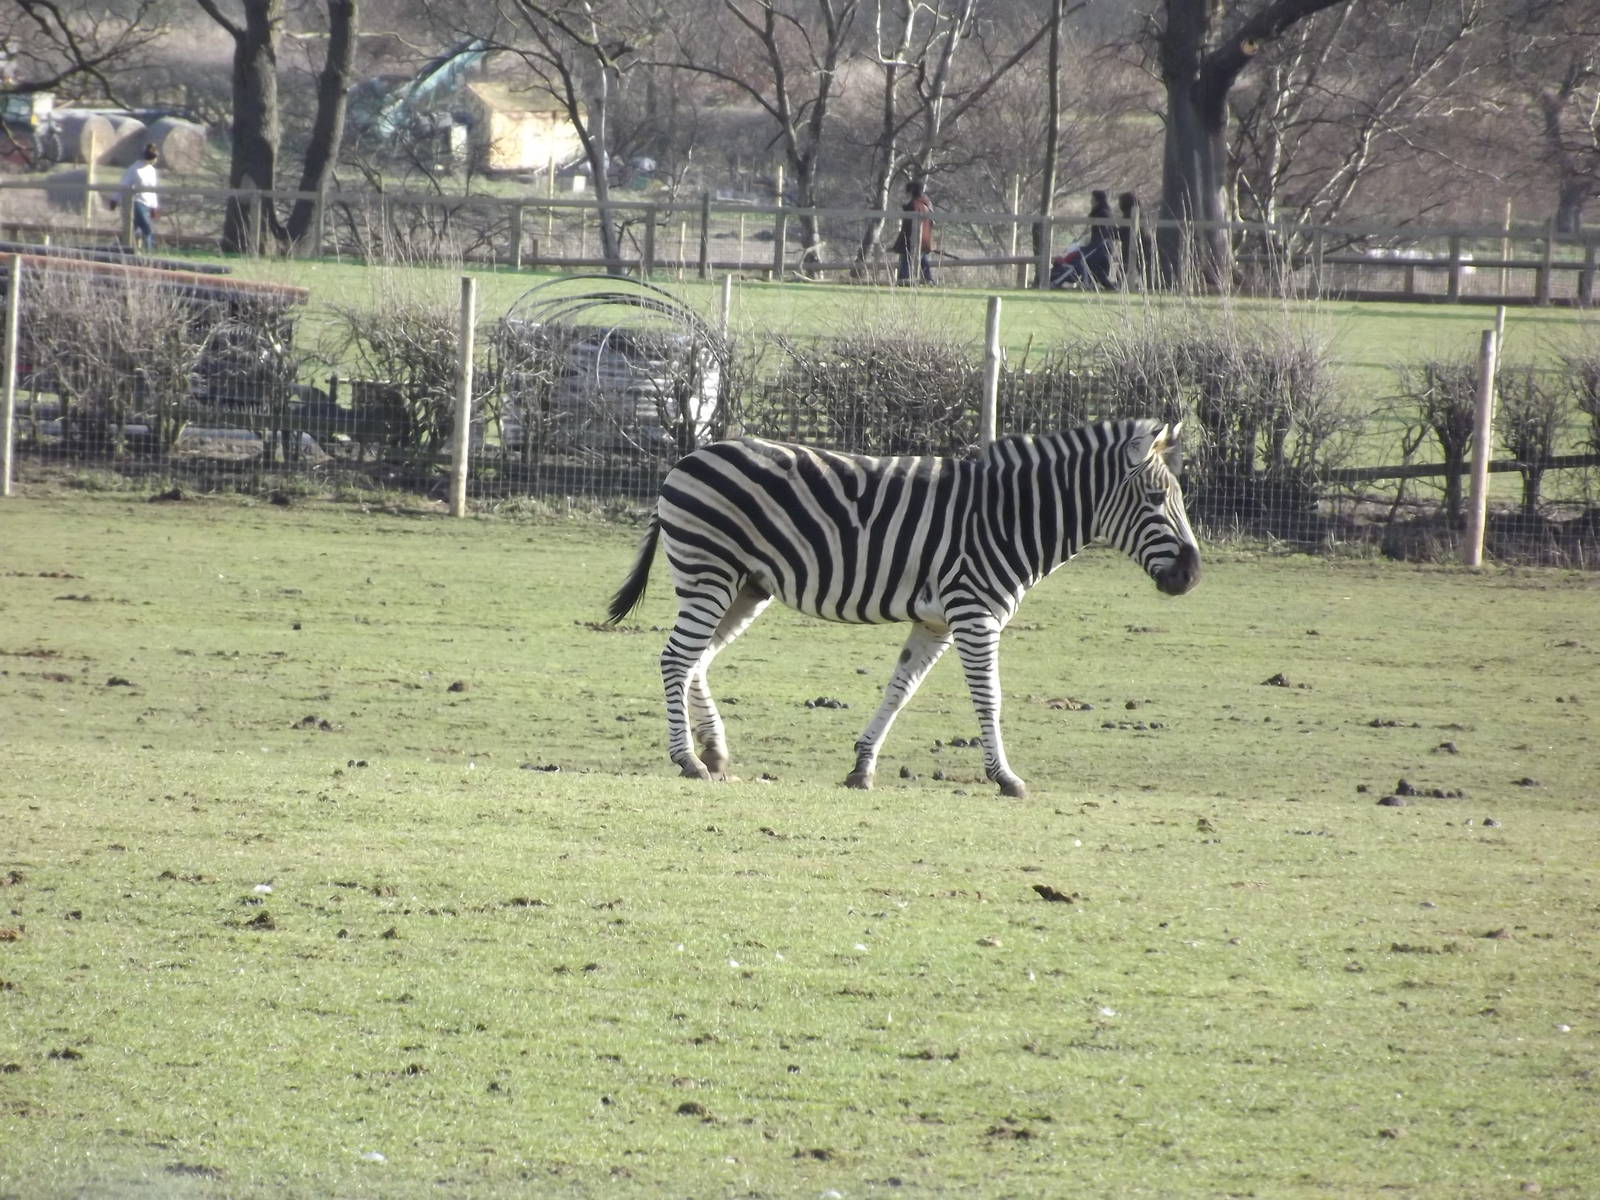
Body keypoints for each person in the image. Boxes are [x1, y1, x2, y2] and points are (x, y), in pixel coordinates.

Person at [115, 143, 160, 253]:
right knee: (147, 228)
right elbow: (124, 184)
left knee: (131, 230)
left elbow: (152, 190)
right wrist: (115, 198)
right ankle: (148, 253)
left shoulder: (152, 171)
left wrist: (154, 207)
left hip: (146, 204)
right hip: (135, 202)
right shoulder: (135, 169)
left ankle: (116, 249)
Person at [893, 178, 935, 285]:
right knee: (922, 259)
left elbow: (910, 222)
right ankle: (928, 279)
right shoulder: (927, 203)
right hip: (925, 236)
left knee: (906, 256)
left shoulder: (916, 204)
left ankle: (904, 279)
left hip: (913, 236)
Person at [1117, 190, 1155, 289]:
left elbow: (1121, 233)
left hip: (1132, 248)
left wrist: (1111, 231)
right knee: (1144, 271)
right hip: (1145, 247)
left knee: (1123, 270)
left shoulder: (1129, 216)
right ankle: (1147, 287)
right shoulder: (1143, 215)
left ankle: (1122, 287)